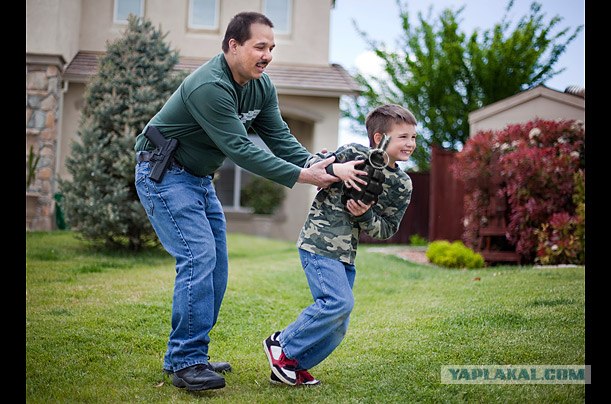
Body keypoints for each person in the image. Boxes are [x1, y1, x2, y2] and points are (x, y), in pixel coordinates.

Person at [133, 11, 366, 391]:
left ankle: (189, 355)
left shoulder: (261, 87)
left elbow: (279, 138)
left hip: (197, 178)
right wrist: (306, 177)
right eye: (260, 46)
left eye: (272, 47)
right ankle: (186, 361)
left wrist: (315, 163)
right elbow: (239, 149)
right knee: (198, 257)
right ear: (233, 46)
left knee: (217, 265)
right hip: (164, 173)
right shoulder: (209, 85)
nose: (267, 54)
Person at [262, 104, 418, 386]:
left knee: (338, 322)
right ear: (379, 138)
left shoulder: (403, 184)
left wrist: (366, 215)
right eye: (403, 137)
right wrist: (338, 169)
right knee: (337, 303)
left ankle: (292, 365)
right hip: (318, 242)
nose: (410, 143)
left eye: (413, 137)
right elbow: (313, 166)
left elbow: (387, 229)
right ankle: (281, 344)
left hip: (346, 253)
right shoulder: (352, 154)